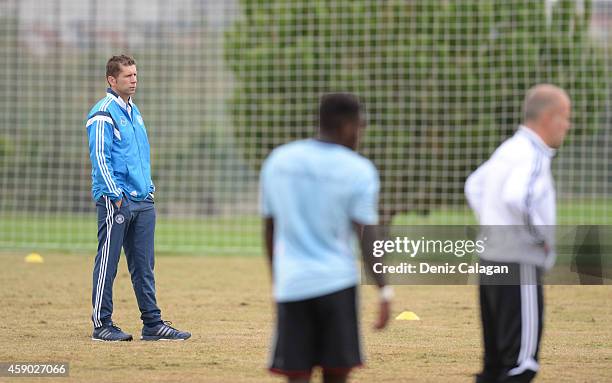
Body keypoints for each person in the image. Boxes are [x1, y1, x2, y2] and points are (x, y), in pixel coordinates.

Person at [260, 93, 392, 383]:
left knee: (297, 373)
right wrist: (384, 291)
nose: (361, 133)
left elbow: (269, 228)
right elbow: (367, 236)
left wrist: (277, 280)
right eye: (361, 126)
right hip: (337, 284)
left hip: (293, 284)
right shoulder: (358, 169)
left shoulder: (279, 160)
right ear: (348, 125)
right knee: (336, 373)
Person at [465, 84, 572, 382]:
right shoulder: (534, 154)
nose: (568, 125)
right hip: (519, 264)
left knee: (496, 365)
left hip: (491, 261)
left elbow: (474, 185)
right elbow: (517, 198)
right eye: (566, 117)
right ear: (550, 117)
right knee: (522, 366)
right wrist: (541, 240)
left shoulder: (508, 149)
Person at [85, 55, 190, 341]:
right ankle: (102, 324)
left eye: (135, 75)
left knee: (144, 265)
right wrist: (115, 194)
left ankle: (153, 324)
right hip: (116, 200)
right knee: (108, 262)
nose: (134, 80)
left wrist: (149, 189)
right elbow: (100, 158)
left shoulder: (135, 111)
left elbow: (140, 156)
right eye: (128, 76)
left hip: (143, 201)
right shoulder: (103, 113)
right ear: (112, 80)